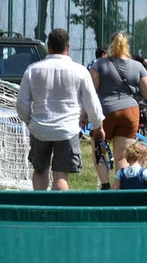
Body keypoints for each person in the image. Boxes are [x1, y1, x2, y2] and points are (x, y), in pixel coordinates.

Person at [16, 28, 105, 190]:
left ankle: (40, 209)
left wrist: (29, 121)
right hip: (67, 130)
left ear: (49, 46)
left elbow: (21, 104)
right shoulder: (80, 71)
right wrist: (98, 126)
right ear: (68, 47)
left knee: (40, 170)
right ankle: (58, 212)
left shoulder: (33, 70)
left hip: (39, 128)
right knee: (61, 175)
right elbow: (92, 102)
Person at [89, 32, 147, 189]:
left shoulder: (99, 64)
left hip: (105, 112)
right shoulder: (137, 66)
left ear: (110, 46)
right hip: (130, 112)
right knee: (121, 156)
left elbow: (91, 90)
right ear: (127, 46)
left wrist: (85, 113)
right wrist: (132, 92)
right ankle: (123, 187)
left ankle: (105, 185)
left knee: (99, 151)